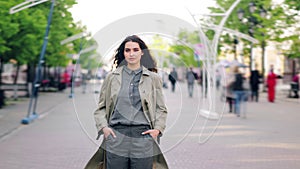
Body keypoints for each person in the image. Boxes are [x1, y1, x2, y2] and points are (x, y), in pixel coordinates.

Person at [84, 35, 168, 169]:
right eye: (127, 50)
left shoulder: (153, 78)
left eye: (135, 49)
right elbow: (101, 108)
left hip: (143, 137)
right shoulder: (112, 78)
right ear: (123, 53)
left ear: (142, 52)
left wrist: (157, 130)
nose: (131, 53)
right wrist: (104, 128)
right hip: (116, 136)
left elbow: (161, 108)